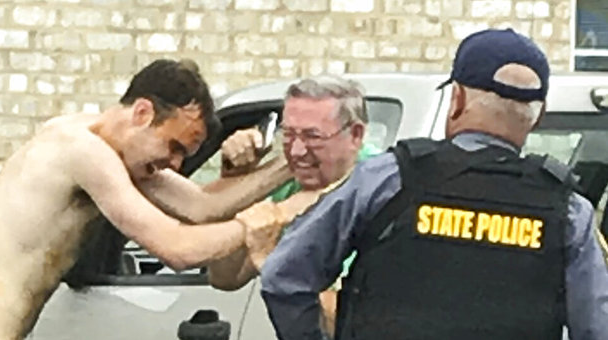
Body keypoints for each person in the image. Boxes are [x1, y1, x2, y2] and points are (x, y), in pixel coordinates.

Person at [260, 28, 608, 340]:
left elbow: (284, 277)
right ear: (539, 115)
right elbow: (595, 328)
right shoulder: (568, 212)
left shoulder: (389, 179)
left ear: (456, 99)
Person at [0, 59, 320, 340]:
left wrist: (293, 162)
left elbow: (202, 208)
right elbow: (177, 248)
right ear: (143, 113)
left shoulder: (111, 148)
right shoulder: (80, 152)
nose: (175, 165)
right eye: (174, 147)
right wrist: (280, 213)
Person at [207, 75, 380, 337]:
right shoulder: (293, 181)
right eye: (288, 134)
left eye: (313, 136)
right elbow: (225, 278)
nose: (297, 151)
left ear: (355, 135)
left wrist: (275, 266)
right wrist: (236, 183)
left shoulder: (381, 190)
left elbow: (350, 320)